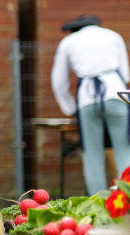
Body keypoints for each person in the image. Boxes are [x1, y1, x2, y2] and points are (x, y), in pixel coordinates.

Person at [51, 14, 130, 195]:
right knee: (125, 152)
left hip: (87, 99)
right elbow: (125, 75)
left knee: (92, 156)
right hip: (117, 95)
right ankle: (127, 202)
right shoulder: (113, 35)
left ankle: (99, 205)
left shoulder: (69, 41)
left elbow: (59, 82)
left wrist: (70, 108)